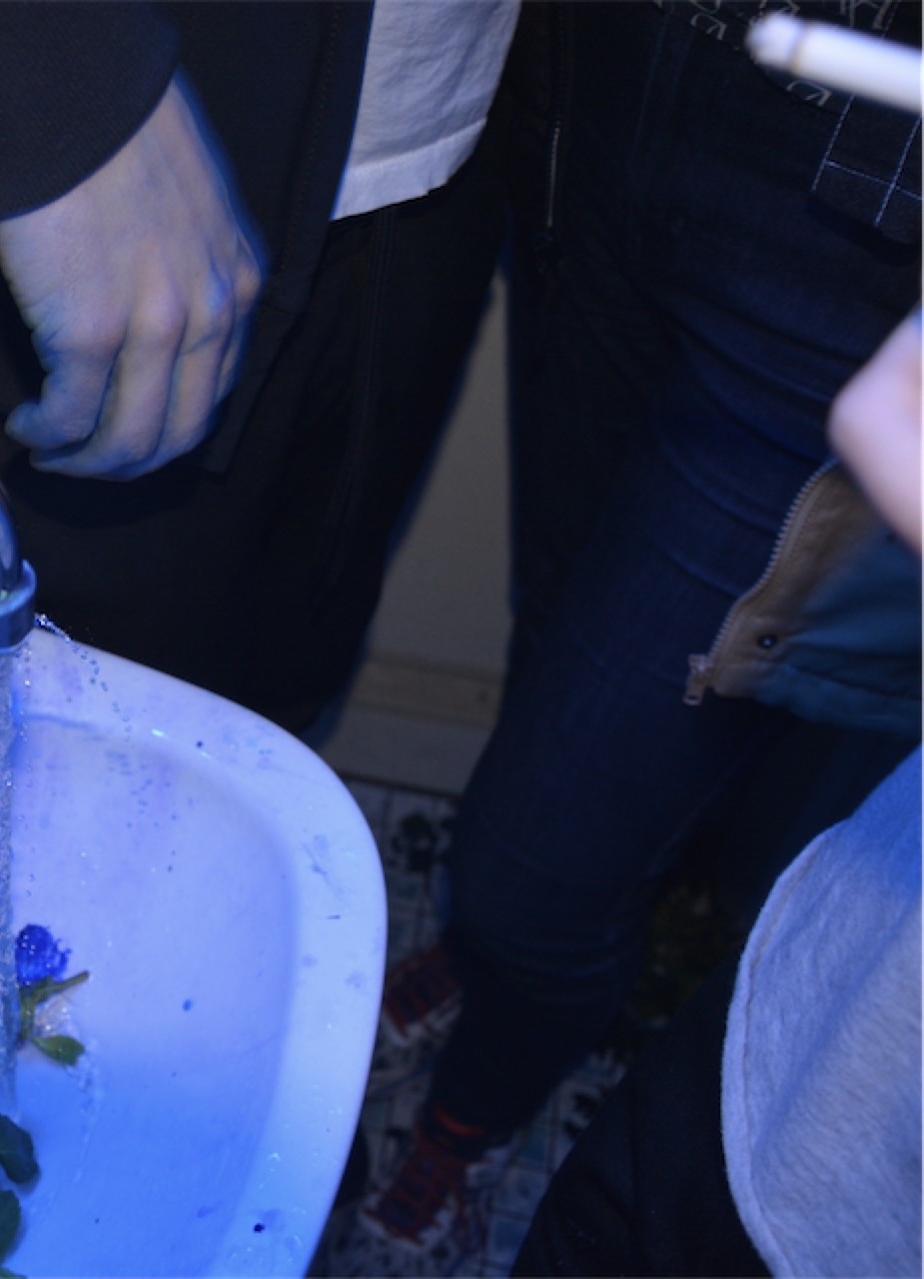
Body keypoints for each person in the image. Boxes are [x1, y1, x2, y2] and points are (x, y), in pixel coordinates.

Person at [328, 3, 921, 1273]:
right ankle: (482, 964)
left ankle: (476, 1110)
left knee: (536, 868)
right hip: (611, 79)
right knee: (558, 637)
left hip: (863, 210)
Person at [0, 0, 520, 736]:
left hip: (439, 137)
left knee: (283, 703)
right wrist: (46, 58)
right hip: (66, 176)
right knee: (66, 765)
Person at [512, 310, 921, 1277]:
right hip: (804, 1020)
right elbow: (891, 414)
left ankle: (472, 1104)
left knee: (534, 881)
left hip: (853, 1224)